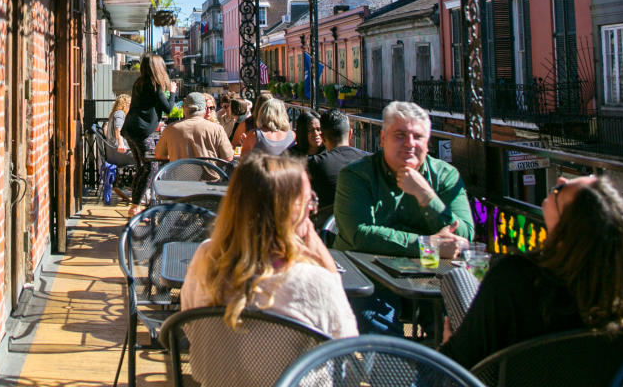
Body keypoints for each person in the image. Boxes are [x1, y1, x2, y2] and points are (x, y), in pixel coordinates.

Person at [440, 175, 623, 369]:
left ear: (563, 231)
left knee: (459, 280)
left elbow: (456, 363)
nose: (560, 180)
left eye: (559, 190)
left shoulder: (516, 278)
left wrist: (451, 346)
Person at [181, 154, 358, 339]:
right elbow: (347, 346)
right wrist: (330, 272)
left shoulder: (206, 257)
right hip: (293, 369)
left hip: (213, 368)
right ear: (290, 211)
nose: (312, 208)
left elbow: (189, 327)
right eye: (308, 201)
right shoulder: (314, 283)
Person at [332, 101, 473, 333]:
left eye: (417, 137)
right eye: (400, 135)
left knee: (463, 319)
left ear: (427, 144)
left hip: (432, 278)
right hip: (368, 276)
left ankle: (443, 368)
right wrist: (428, 245)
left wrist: (425, 194)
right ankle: (395, 369)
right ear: (383, 138)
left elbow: (464, 235)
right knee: (377, 327)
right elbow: (359, 234)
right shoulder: (356, 175)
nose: (409, 144)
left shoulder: (446, 176)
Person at [121, 54, 174, 215]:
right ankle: (137, 206)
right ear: (157, 68)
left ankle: (136, 203)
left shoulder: (139, 83)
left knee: (141, 168)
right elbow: (169, 109)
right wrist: (172, 92)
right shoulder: (155, 86)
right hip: (142, 132)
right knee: (151, 167)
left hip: (130, 129)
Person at [306, 110, 364, 234]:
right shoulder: (370, 161)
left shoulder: (314, 164)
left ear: (322, 137)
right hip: (364, 229)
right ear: (350, 133)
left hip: (326, 233)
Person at [154, 92, 234, 163]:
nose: (209, 111)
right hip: (210, 178)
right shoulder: (217, 129)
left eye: (211, 108)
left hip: (179, 178)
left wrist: (177, 158)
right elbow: (228, 157)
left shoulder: (170, 129)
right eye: (208, 108)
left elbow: (158, 155)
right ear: (204, 109)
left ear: (183, 109)